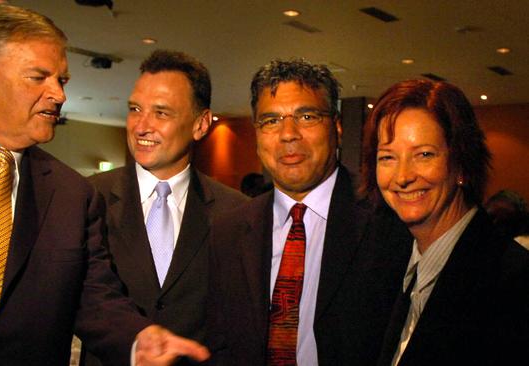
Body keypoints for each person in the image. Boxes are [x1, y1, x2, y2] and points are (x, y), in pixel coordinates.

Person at [0, 5, 208, 366]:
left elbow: (93, 294)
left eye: (62, 80)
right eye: (39, 77)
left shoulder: (72, 194)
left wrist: (136, 340)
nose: (59, 95)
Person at [207, 59, 410, 365]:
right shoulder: (229, 231)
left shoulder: (388, 220)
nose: (288, 134)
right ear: (258, 136)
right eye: (271, 120)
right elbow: (219, 342)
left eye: (306, 116)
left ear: (337, 127)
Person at [81, 50, 247, 366]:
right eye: (134, 109)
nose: (141, 126)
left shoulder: (236, 212)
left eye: (161, 113)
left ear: (200, 124)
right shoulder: (88, 197)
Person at [360, 79, 529, 365]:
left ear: (461, 163)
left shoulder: (513, 280)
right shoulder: (391, 266)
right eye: (387, 157)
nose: (402, 176)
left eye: (424, 154)